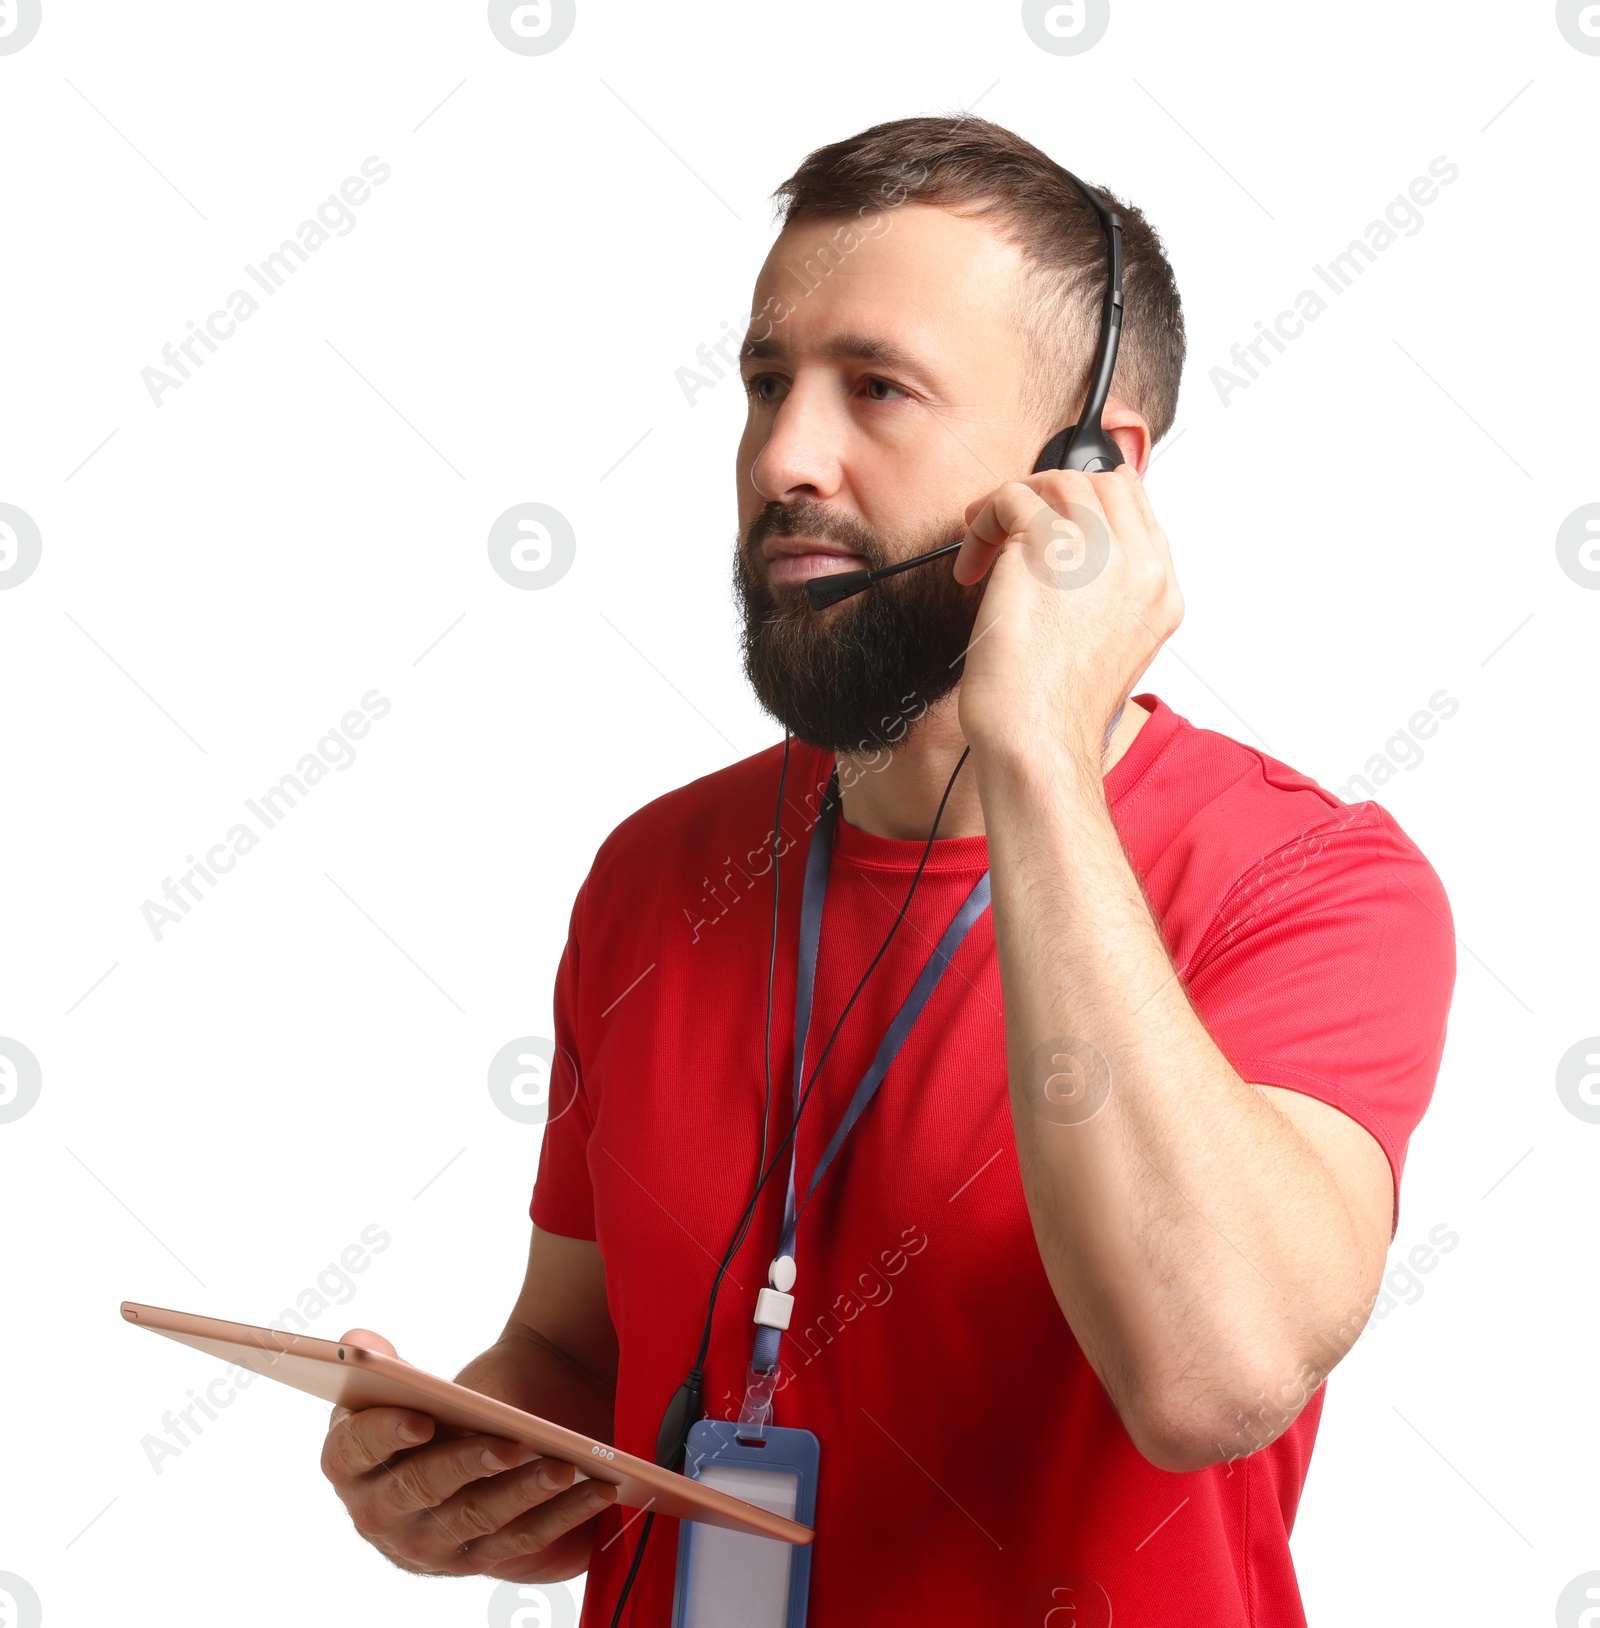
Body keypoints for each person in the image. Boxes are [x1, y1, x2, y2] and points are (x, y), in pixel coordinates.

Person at [319, 115, 1455, 1626]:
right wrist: (460, 1467)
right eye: (766, 382)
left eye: (878, 389)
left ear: (1089, 476)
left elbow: (1211, 1377)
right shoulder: (658, 872)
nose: (785, 457)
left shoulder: (1315, 884)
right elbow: (581, 1353)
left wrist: (1036, 743)